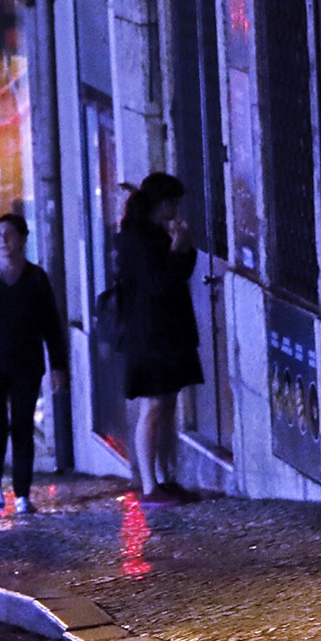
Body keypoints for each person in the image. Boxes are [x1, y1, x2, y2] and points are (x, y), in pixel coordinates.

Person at [0, 210, 70, 515]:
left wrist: (59, 365)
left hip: (26, 364)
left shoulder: (36, 278)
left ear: (23, 239)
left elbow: (51, 324)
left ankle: (22, 493)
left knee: (23, 427)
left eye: (9, 235)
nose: (3, 241)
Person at [110, 173, 206, 500]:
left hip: (168, 330)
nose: (176, 208)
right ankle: (150, 484)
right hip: (148, 333)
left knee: (167, 404)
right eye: (173, 202)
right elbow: (159, 284)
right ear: (161, 203)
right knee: (153, 406)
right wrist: (177, 249)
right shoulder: (136, 239)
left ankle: (165, 478)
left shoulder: (155, 234)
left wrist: (182, 249)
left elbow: (177, 276)